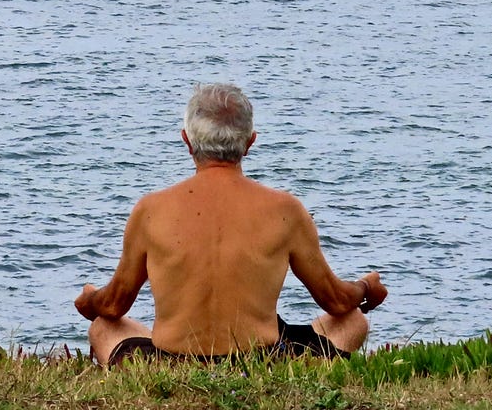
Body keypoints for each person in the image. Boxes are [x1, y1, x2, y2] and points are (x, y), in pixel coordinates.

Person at [74, 83, 388, 366]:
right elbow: (336, 301)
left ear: (187, 141)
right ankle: (304, 365)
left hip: (170, 363)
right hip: (262, 364)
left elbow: (112, 306)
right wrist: (365, 287)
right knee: (352, 321)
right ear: (250, 143)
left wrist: (89, 299)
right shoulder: (286, 209)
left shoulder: (150, 210)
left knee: (104, 327)